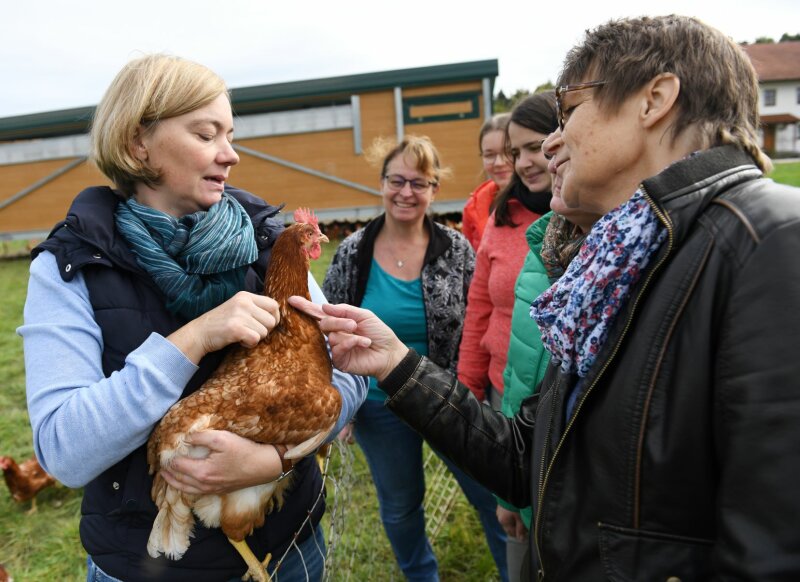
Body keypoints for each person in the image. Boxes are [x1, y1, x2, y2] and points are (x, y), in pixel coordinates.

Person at [292, 14, 800, 580]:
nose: (552, 142)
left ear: (653, 100)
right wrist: (396, 363)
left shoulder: (770, 241)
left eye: (570, 110)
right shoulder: (612, 265)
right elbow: (527, 456)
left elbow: (773, 547)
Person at [17, 54, 367, 582]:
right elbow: (65, 451)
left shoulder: (267, 239)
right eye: (207, 135)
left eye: (230, 134)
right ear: (139, 142)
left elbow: (350, 370)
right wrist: (194, 339)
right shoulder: (71, 266)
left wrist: (276, 461)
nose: (231, 155)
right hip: (155, 563)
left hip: (291, 549)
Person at [321, 135, 508, 581]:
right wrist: (340, 404)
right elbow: (327, 329)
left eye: (419, 183)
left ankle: (514, 572)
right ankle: (422, 576)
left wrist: (475, 388)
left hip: (447, 397)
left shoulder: (457, 249)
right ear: (382, 184)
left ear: (434, 189)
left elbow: (478, 320)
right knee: (402, 507)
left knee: (490, 495)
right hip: (380, 405)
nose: (406, 192)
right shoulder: (353, 253)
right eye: (397, 180)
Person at [455, 93, 554, 580]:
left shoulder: (589, 215)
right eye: (516, 152)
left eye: (535, 147)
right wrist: (468, 388)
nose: (525, 162)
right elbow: (480, 310)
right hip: (503, 394)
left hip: (563, 404)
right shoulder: (502, 214)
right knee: (514, 527)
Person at [461, 114, 514, 249]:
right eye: (490, 155)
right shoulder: (473, 206)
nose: (499, 163)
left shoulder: (544, 199)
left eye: (508, 152)